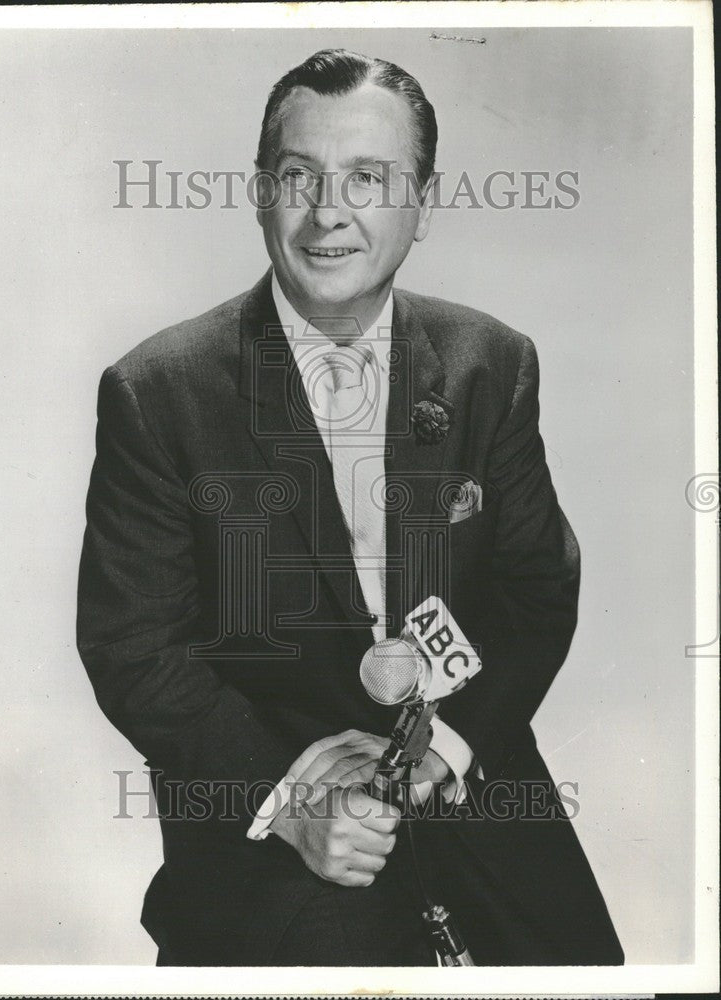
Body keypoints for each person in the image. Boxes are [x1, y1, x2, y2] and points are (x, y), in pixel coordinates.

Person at [77, 48, 623, 966]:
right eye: (299, 176)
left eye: (367, 177)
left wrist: (443, 748)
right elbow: (134, 647)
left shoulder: (492, 362)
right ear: (260, 192)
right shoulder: (156, 390)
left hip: (465, 780)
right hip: (270, 804)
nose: (328, 213)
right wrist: (291, 804)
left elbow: (535, 595)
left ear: (422, 201)